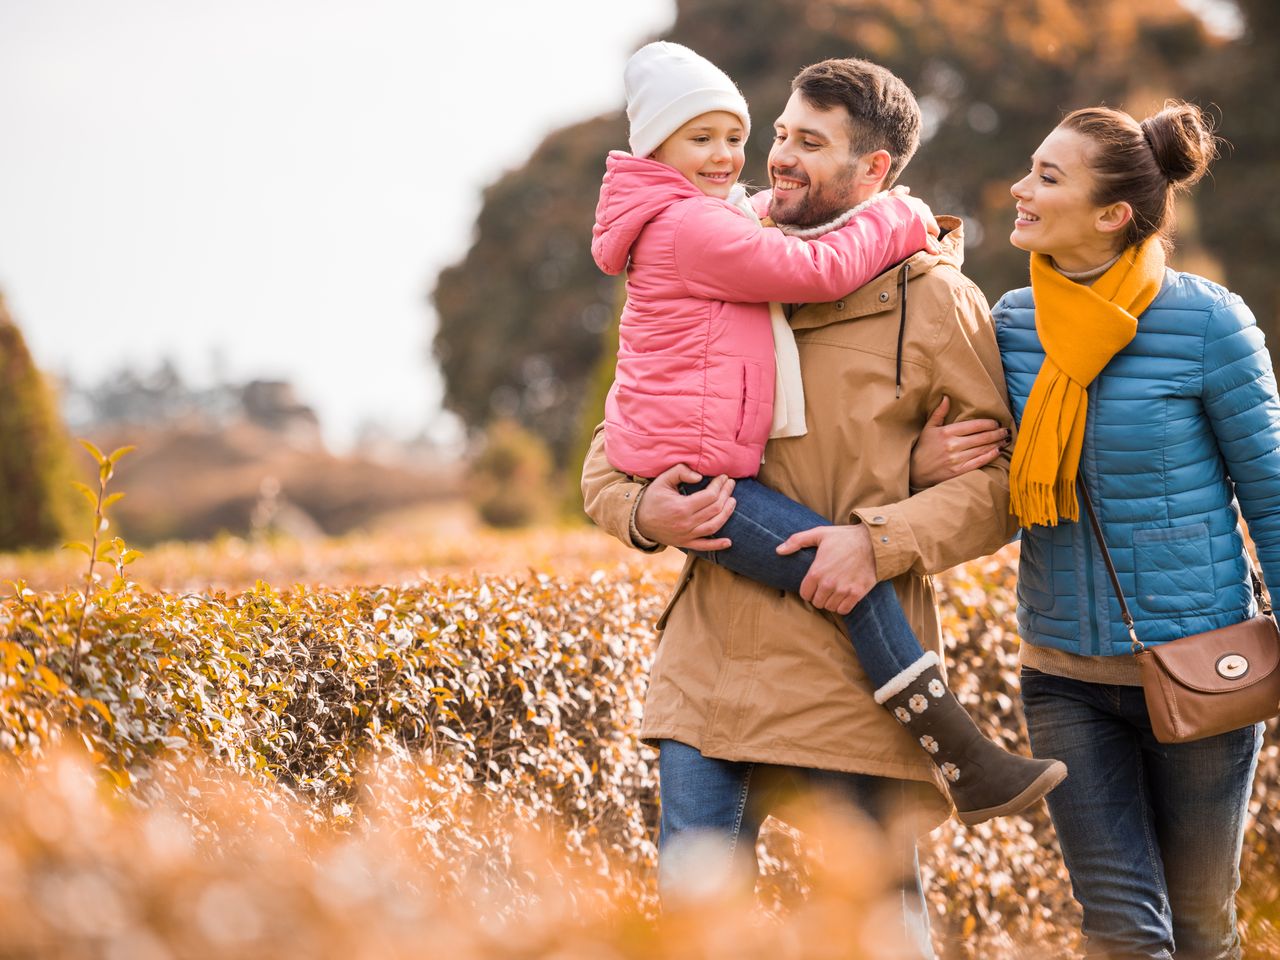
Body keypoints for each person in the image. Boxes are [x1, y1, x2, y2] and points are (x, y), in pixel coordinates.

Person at [582, 56, 1019, 951]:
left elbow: (1002, 486)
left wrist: (883, 536)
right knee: (696, 938)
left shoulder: (938, 302)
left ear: (875, 174)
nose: (776, 157)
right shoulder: (720, 252)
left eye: (809, 144)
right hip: (709, 680)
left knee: (882, 938)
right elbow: (618, 444)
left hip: (853, 692)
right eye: (780, 133)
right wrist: (641, 515)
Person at [916, 101, 1276, 959]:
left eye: (1047, 177)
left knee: (1201, 928)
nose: (1019, 189)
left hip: (1203, 668)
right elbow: (986, 474)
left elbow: (1271, 494)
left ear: (1113, 214)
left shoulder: (1207, 323)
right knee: (1120, 930)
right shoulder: (1005, 324)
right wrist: (925, 464)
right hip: (1064, 674)